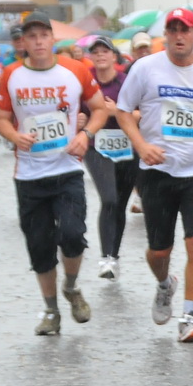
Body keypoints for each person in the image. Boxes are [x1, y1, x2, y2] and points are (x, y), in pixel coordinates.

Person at [113, 7, 193, 344]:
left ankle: (189, 317)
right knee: (159, 251)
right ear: (166, 36)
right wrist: (141, 145)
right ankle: (164, 284)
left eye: (184, 30)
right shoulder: (146, 68)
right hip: (156, 172)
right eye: (172, 30)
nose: (178, 36)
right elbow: (123, 111)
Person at [0, 13, 110, 336]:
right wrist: (14, 136)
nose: (39, 41)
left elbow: (99, 109)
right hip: (29, 175)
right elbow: (0, 118)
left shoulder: (76, 70)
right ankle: (51, 310)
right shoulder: (12, 75)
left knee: (72, 235)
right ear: (23, 42)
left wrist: (85, 135)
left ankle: (71, 287)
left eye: (44, 35)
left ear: (52, 39)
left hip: (67, 169)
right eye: (32, 37)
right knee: (40, 246)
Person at [80, 37, 137, 279]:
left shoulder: (127, 81)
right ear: (91, 57)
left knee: (120, 204)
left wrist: (118, 112)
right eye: (96, 52)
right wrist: (80, 120)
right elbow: (73, 109)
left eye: (105, 51)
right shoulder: (85, 80)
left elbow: (144, 112)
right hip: (97, 146)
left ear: (114, 56)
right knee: (109, 199)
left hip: (127, 147)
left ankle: (114, 256)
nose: (101, 55)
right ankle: (105, 257)